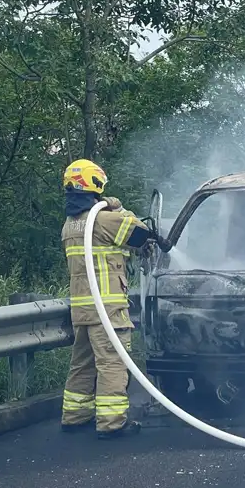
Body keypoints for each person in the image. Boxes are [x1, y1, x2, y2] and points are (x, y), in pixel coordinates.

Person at [60, 159, 172, 439]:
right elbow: (142, 235)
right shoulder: (104, 218)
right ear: (94, 184)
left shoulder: (70, 224)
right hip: (107, 310)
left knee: (81, 364)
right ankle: (112, 423)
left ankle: (74, 415)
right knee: (112, 363)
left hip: (83, 311)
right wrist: (121, 209)